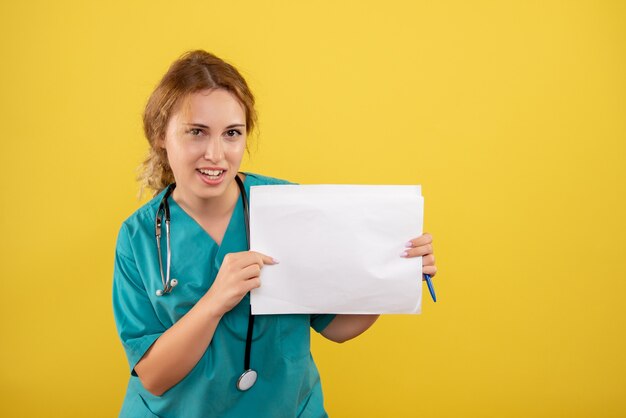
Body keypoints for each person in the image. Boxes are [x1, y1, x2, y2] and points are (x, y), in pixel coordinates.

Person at [112, 50, 437, 418]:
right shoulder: (138, 237)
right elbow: (153, 376)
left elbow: (337, 328)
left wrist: (391, 274)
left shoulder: (288, 208)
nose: (216, 154)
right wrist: (216, 300)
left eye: (232, 133)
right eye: (196, 132)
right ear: (160, 135)